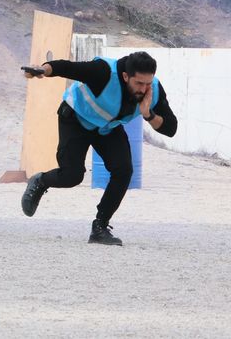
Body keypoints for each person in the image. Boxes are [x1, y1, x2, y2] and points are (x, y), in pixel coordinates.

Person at [20, 51, 178, 245]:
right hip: (76, 118)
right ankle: (41, 181)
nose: (144, 89)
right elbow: (68, 67)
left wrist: (149, 115)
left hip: (106, 128)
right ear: (125, 76)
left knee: (124, 170)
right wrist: (42, 69)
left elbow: (171, 128)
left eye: (147, 83)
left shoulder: (153, 89)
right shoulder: (104, 72)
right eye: (139, 83)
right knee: (73, 176)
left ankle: (100, 228)